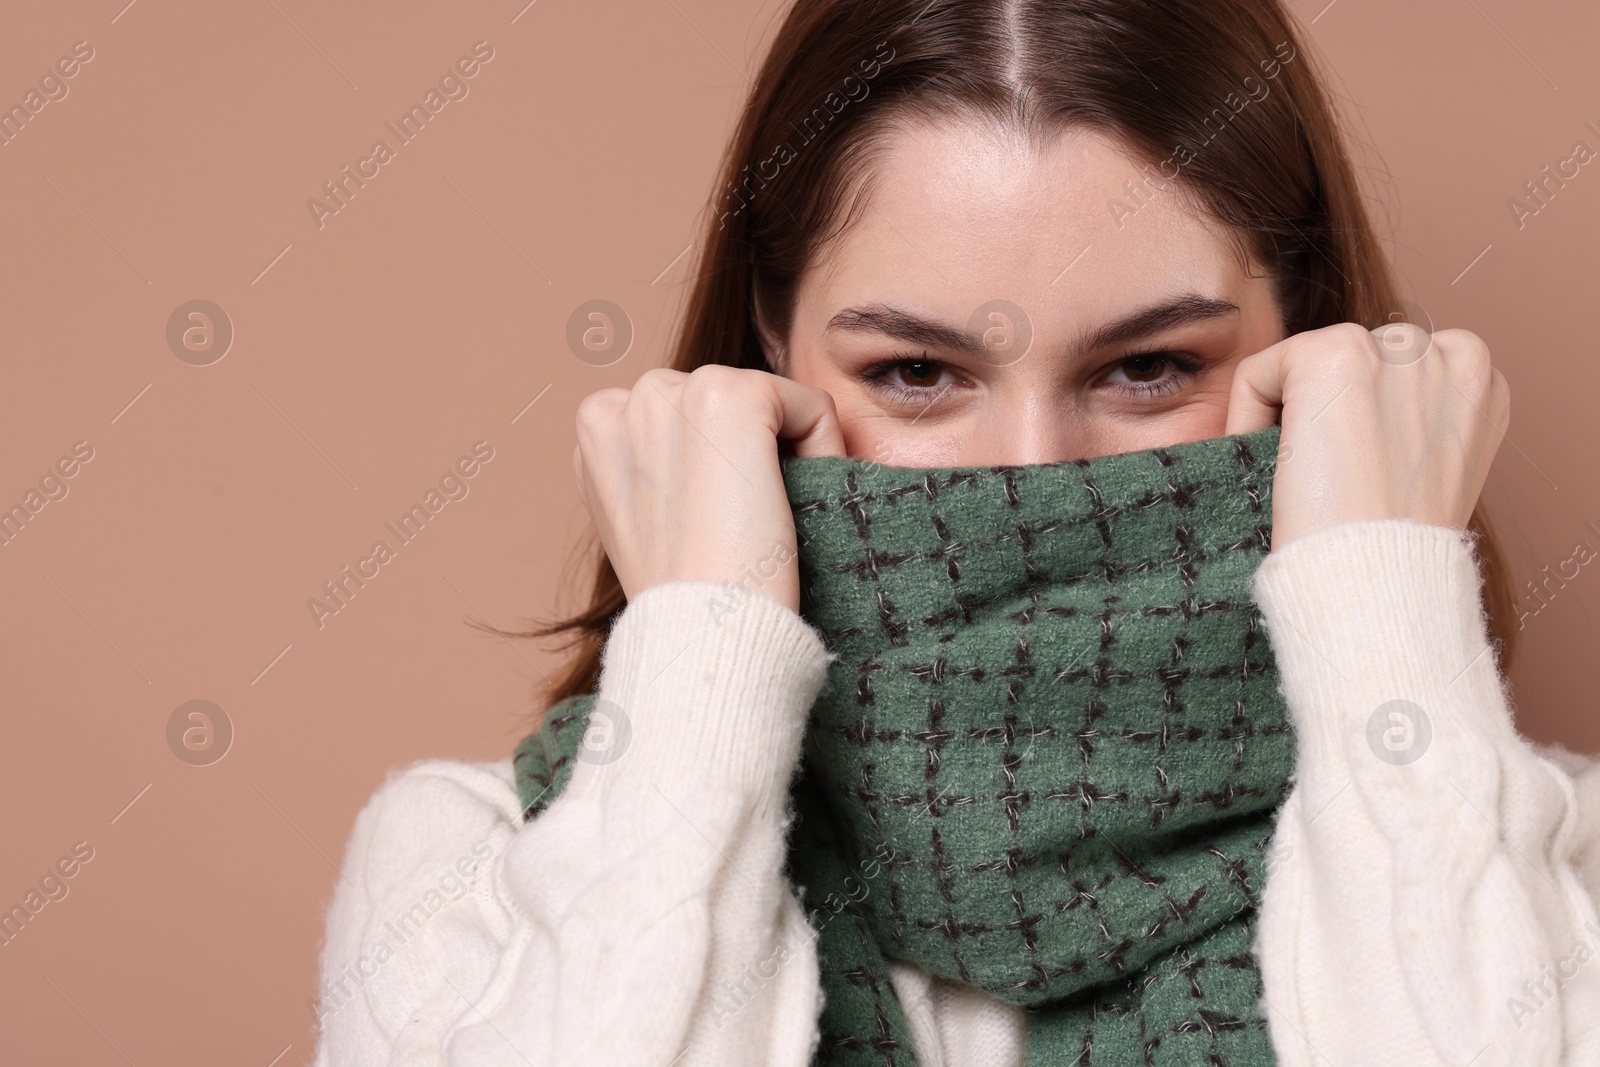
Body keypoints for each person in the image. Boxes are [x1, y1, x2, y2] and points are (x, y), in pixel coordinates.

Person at [309, 0, 1600, 1064]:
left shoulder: (1555, 877)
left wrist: (1385, 617)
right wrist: (701, 663)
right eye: (919, 374)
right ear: (771, 349)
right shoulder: (467, 869)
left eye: (1148, 365)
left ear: (1314, 355)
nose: (1031, 470)